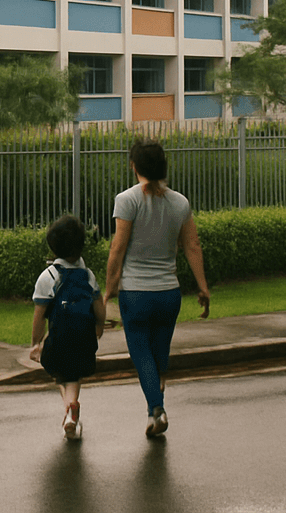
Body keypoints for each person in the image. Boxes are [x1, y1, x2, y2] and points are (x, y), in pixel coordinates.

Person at [103, 139, 210, 438]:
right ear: (163, 166)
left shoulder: (127, 200)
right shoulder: (181, 202)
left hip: (135, 294)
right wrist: (203, 288)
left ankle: (156, 410)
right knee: (159, 353)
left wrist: (109, 288)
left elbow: (118, 248)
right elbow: (192, 245)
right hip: (168, 294)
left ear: (134, 166)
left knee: (141, 354)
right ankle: (157, 398)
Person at [30, 214, 106, 440]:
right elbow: (99, 307)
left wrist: (35, 343)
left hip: (59, 339)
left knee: (60, 371)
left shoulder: (49, 276)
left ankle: (71, 409)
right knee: (72, 374)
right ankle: (71, 414)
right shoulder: (88, 276)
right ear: (81, 246)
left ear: (52, 246)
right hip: (84, 337)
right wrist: (99, 327)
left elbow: (39, 315)